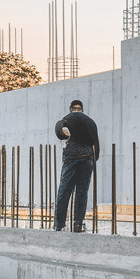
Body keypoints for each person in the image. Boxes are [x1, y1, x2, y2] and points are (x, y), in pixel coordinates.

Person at [53, 99, 99, 232]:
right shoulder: (90, 121)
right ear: (81, 109)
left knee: (64, 191)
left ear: (71, 109)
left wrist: (62, 131)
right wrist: (93, 158)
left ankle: (59, 224)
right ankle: (78, 224)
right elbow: (96, 143)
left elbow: (59, 126)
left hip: (72, 156)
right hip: (87, 157)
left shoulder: (68, 118)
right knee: (82, 192)